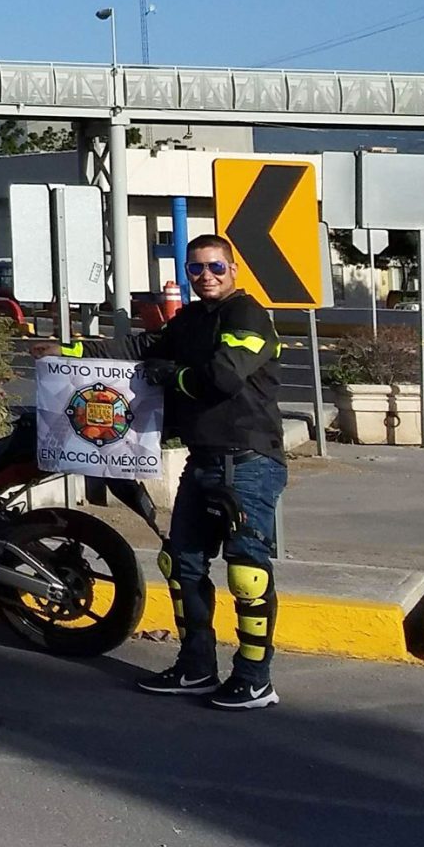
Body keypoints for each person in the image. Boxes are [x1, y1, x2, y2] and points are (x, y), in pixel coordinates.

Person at [130, 233, 287, 710]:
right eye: (196, 268)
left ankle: (255, 681)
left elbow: (224, 376)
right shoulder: (191, 319)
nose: (206, 276)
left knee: (247, 573)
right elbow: (141, 346)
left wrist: (173, 376)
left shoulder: (247, 314)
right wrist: (71, 351)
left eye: (215, 267)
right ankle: (196, 668)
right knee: (181, 565)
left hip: (248, 461)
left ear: (233, 269)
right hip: (202, 459)